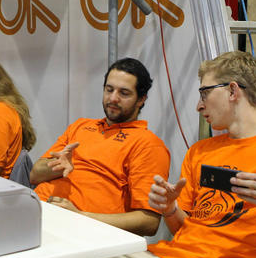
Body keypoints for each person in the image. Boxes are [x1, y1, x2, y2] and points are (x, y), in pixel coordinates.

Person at [22, 51, 256, 258]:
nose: (199, 106)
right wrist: (170, 209)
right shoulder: (201, 151)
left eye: (204, 94)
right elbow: (182, 229)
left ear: (232, 91)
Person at [29, 57, 170, 236]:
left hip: (82, 232)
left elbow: (149, 222)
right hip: (38, 215)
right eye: (109, 89)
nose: (113, 98)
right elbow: (34, 175)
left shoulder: (148, 144)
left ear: (141, 99)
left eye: (124, 93)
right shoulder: (80, 126)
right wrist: (57, 167)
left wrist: (80, 217)